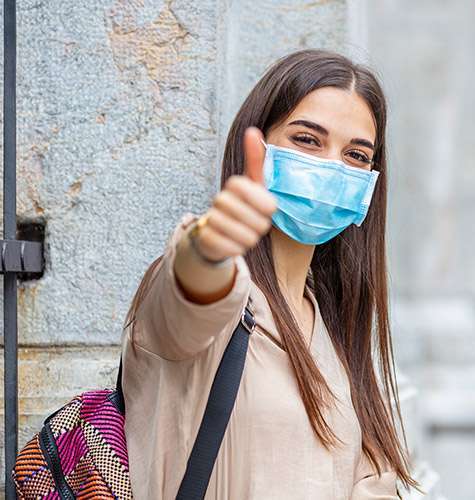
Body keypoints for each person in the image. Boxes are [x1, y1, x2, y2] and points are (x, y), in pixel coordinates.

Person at [120, 49, 420, 499]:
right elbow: (186, 302)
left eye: (356, 155)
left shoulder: (336, 332)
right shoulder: (213, 301)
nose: (331, 166)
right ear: (258, 147)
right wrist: (208, 249)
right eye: (307, 140)